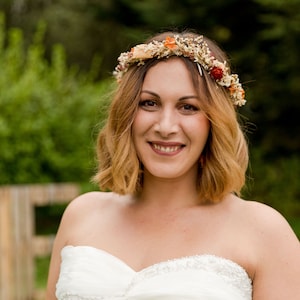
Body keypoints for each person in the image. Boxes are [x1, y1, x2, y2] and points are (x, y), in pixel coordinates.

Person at [46, 31, 300, 299]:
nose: (165, 127)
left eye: (188, 107)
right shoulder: (81, 214)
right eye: (149, 103)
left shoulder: (264, 231)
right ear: (127, 114)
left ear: (214, 121)